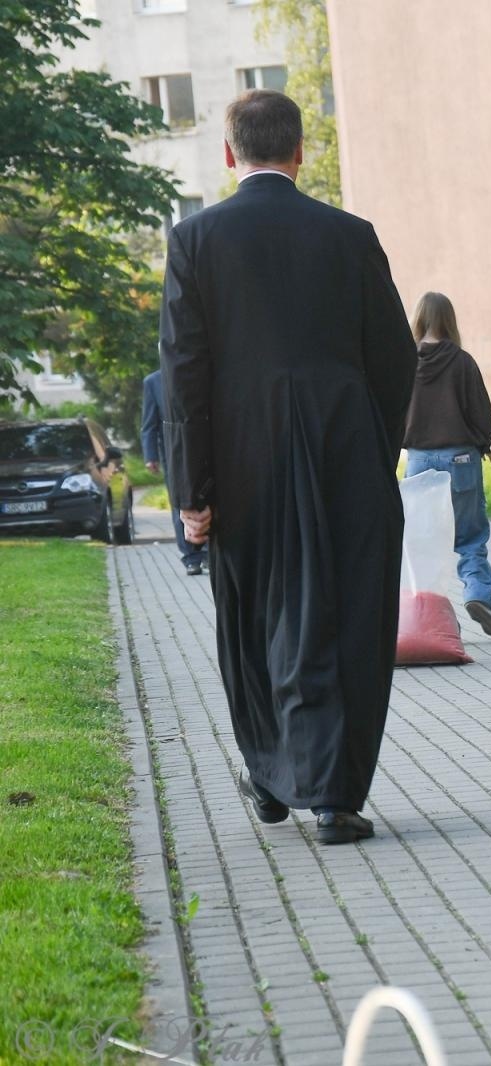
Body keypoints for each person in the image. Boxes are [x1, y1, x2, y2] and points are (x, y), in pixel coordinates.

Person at [159, 89, 417, 844]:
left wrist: (192, 491)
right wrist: (377, 446)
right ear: (301, 152)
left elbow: (185, 378)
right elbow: (395, 358)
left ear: (229, 155)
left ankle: (274, 774)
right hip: (346, 452)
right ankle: (334, 796)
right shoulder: (351, 236)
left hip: (244, 461)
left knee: (257, 616)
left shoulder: (195, 241)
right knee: (348, 615)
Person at [402, 292, 491, 637]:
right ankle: (478, 595)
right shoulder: (462, 362)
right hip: (460, 459)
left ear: (417, 319)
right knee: (470, 536)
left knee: (424, 544)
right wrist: (482, 442)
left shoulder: (404, 361)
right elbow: (482, 411)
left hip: (418, 461)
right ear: (449, 319)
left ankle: (436, 618)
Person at [140, 367, 208, 576]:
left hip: (203, 450)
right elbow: (149, 424)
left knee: (207, 500)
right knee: (180, 504)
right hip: (172, 456)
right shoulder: (153, 382)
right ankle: (191, 557)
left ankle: (208, 552)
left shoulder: (197, 374)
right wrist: (150, 456)